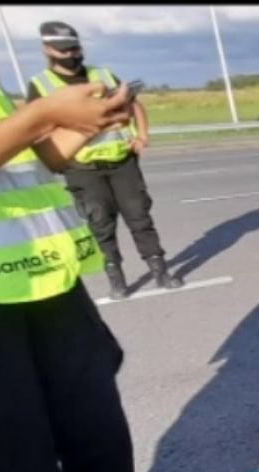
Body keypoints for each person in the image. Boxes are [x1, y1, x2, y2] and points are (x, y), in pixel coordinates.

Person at [0, 77, 198, 472]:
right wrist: (40, 115)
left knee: (96, 424)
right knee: (15, 456)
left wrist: (84, 124)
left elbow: (31, 160)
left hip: (45, 281)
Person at [26, 21, 183, 300]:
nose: (71, 55)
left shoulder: (102, 75)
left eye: (75, 48)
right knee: (100, 224)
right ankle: (117, 279)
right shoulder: (41, 85)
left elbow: (133, 105)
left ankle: (160, 271)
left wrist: (142, 136)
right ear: (46, 50)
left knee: (140, 218)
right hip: (82, 168)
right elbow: (38, 131)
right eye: (63, 50)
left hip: (121, 161)